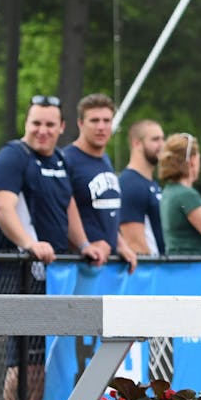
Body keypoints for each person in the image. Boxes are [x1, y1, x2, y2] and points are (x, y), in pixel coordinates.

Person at [0, 94, 105, 400]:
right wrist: (29, 244)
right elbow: (2, 208)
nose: (42, 130)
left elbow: (68, 206)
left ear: (62, 127)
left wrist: (83, 244)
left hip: (52, 275)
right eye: (36, 123)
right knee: (21, 357)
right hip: (19, 272)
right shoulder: (13, 156)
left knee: (42, 358)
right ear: (27, 123)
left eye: (50, 124)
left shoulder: (59, 159)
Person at [63, 93, 134, 271]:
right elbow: (58, 214)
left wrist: (121, 245)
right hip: (79, 264)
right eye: (94, 120)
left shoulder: (105, 160)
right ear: (80, 123)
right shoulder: (66, 160)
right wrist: (84, 245)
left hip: (107, 266)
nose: (101, 127)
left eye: (106, 120)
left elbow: (106, 213)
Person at [117, 119, 166, 257]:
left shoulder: (151, 183)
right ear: (137, 143)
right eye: (155, 139)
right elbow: (134, 243)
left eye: (163, 139)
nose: (162, 145)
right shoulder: (131, 184)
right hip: (150, 271)